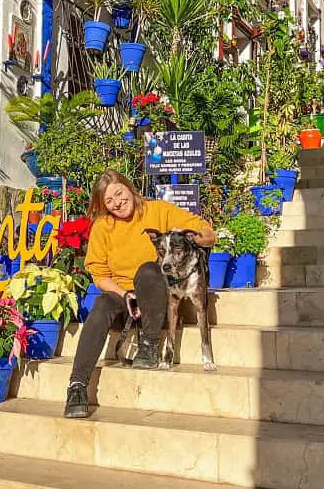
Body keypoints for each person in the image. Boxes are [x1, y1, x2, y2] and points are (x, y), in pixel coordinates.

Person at [64, 170, 215, 419]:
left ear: (129, 187)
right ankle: (77, 385)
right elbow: (99, 275)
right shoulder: (103, 227)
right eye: (108, 201)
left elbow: (207, 233)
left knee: (149, 270)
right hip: (125, 296)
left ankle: (149, 346)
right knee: (102, 304)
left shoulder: (158, 211)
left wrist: (190, 233)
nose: (117, 203)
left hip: (159, 299)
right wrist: (125, 295)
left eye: (119, 194)